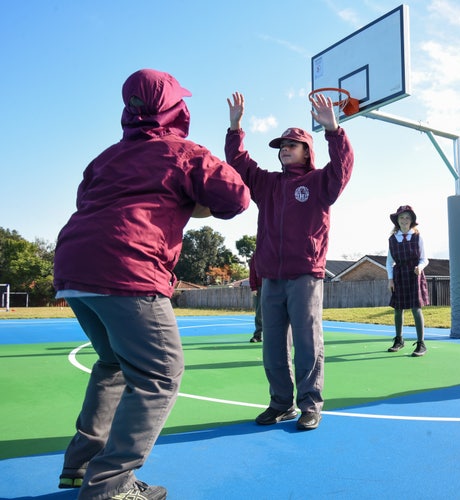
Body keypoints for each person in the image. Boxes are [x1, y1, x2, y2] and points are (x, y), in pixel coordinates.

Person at [54, 69, 250, 499]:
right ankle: (110, 486)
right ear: (176, 108)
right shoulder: (182, 151)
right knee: (161, 374)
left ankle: (81, 463)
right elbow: (236, 197)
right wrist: (194, 204)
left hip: (74, 264)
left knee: (112, 363)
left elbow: (93, 201)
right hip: (128, 267)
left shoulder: (105, 158)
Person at [225, 91, 354, 431]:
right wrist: (235, 126)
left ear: (306, 150)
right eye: (281, 145)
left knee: (308, 342)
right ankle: (281, 403)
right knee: (273, 346)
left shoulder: (318, 182)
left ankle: (310, 404)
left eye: (291, 144)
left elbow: (342, 169)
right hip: (271, 276)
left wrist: (334, 131)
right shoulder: (268, 184)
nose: (284, 148)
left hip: (304, 276)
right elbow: (239, 164)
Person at [386, 205, 430, 357]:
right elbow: (389, 262)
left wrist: (420, 267)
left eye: (407, 218)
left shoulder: (418, 237)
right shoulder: (392, 239)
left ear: (411, 221)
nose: (404, 220)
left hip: (414, 274)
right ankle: (399, 340)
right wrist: (390, 279)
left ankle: (421, 344)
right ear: (397, 221)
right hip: (399, 275)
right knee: (398, 309)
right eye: (402, 218)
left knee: (416, 309)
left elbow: (425, 259)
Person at [248, 254, 262, 342]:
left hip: (276, 285)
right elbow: (252, 271)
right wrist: (253, 287)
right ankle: (258, 335)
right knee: (259, 313)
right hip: (260, 287)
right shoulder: (257, 255)